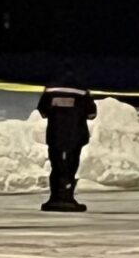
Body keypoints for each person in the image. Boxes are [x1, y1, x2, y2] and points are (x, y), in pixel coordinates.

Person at [38, 69, 98, 212]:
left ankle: (55, 198)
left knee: (57, 166)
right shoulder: (82, 90)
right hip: (75, 135)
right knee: (70, 166)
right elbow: (92, 114)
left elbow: (43, 111)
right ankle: (67, 197)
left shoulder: (51, 89)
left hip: (55, 135)